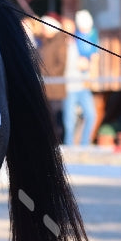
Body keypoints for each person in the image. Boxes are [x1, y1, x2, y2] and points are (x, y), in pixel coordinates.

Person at [63, 15, 97, 146]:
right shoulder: (63, 45)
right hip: (69, 87)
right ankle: (69, 145)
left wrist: (88, 65)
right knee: (69, 120)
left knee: (91, 115)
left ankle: (84, 144)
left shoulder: (79, 41)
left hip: (82, 85)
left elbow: (89, 59)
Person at [38, 14, 67, 143]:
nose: (43, 31)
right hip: (45, 87)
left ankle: (59, 142)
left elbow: (60, 64)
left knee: (56, 117)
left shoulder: (60, 42)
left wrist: (45, 74)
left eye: (45, 28)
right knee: (47, 117)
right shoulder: (44, 42)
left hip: (55, 88)